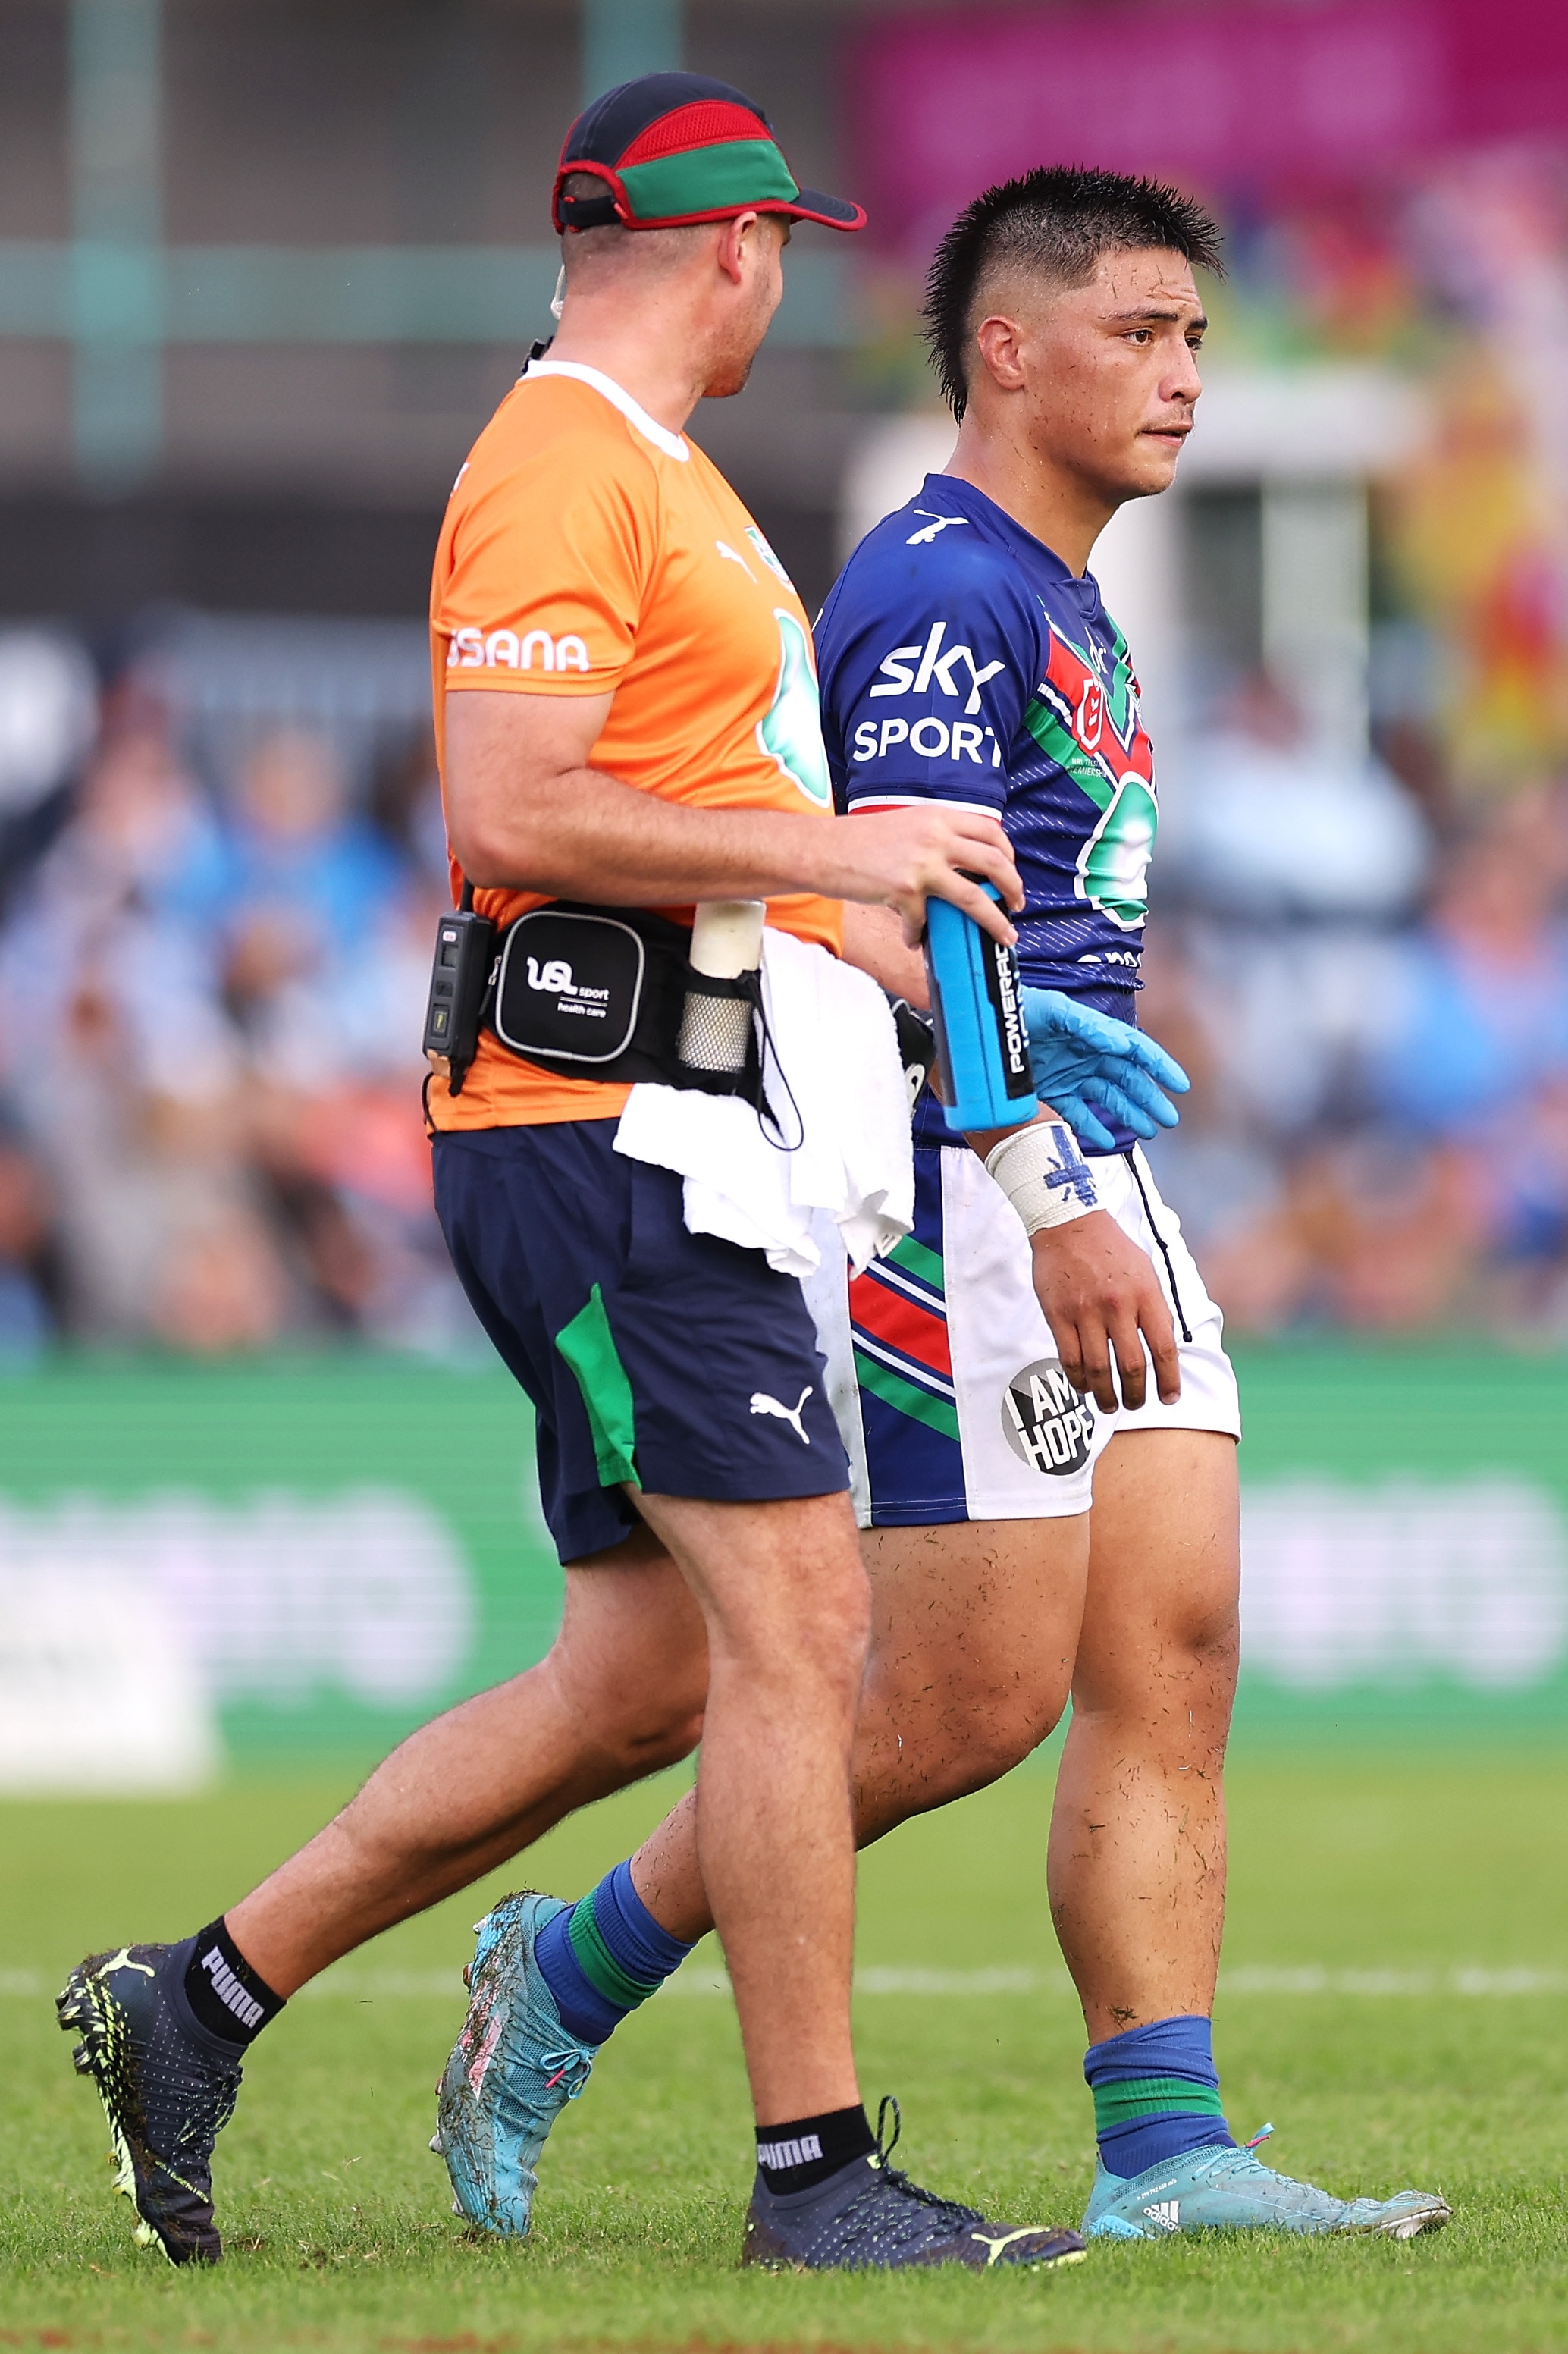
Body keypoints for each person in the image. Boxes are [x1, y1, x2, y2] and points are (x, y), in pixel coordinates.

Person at [56, 75, 1118, 2277]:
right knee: (806, 1632)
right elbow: (522, 805)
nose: (786, 286)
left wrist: (932, 1004)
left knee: (644, 1677)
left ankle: (199, 1997)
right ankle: (816, 2179)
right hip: (610, 1137)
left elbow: (690, 829)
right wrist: (841, 857)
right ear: (727, 252)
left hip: (674, 1132)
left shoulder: (662, 483)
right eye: (782, 252)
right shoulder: (561, 465)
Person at [430, 168, 1449, 2248]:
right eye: (1138, 333)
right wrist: (1038, 1181)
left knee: (1171, 1643)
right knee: (948, 1706)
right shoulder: (936, 588)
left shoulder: (1060, 592)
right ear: (1006, 347)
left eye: (1190, 337)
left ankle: (1165, 2144)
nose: (1182, 376)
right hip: (964, 1174)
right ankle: (563, 1977)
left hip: (1085, 1168)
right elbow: (909, 909)